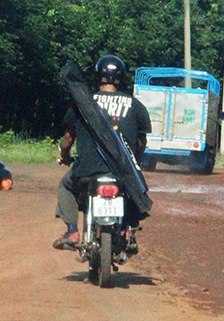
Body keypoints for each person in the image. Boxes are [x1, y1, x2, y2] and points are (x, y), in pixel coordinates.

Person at [53, 55, 152, 251]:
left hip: (87, 170)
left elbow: (68, 138)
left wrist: (64, 155)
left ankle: (72, 231)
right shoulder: (136, 106)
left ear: (99, 76)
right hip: (121, 172)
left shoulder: (84, 104)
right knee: (132, 190)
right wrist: (135, 163)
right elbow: (141, 142)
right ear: (121, 77)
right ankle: (127, 231)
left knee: (66, 185)